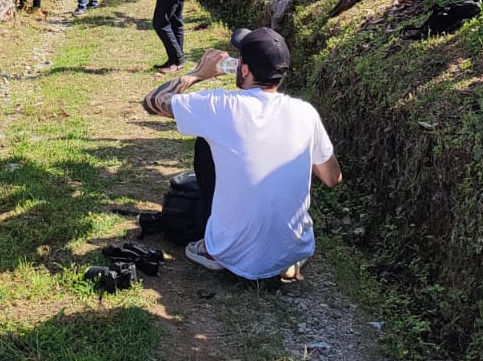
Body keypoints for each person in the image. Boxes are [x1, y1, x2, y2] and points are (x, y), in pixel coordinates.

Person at [141, 27, 341, 282]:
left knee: (206, 143)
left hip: (230, 252)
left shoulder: (221, 106)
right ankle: (283, 257)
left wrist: (198, 73)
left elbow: (152, 101)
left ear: (244, 70)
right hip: (294, 249)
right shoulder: (305, 113)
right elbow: (333, 178)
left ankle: (217, 251)